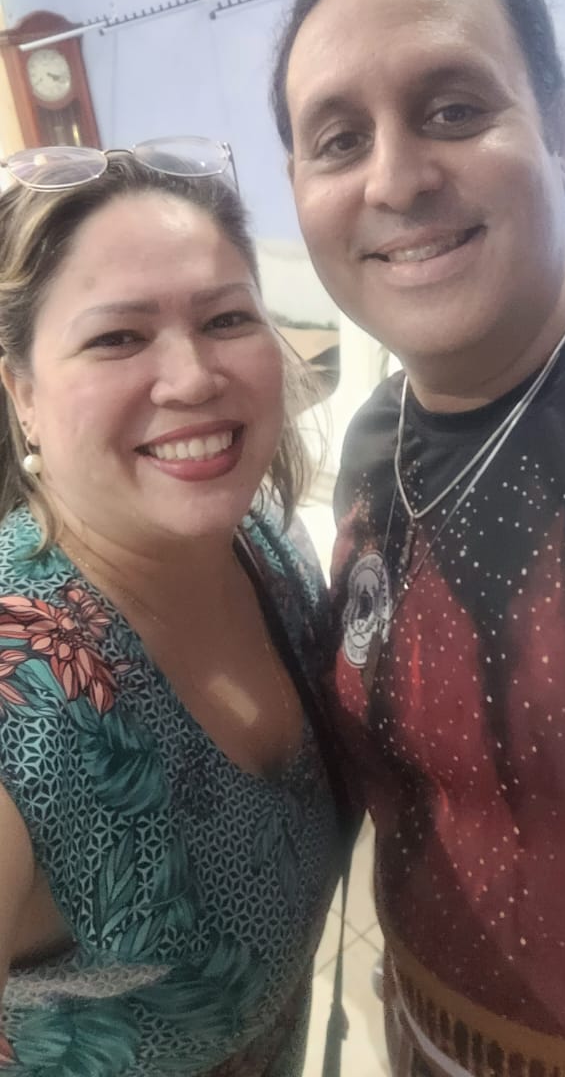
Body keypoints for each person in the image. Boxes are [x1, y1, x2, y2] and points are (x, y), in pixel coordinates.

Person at [271, 0, 565, 1076]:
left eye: (454, 109)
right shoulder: (379, 443)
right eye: (338, 138)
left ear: (558, 130)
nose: (396, 178)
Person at [0, 140, 343, 1077]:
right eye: (118, 336)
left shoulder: (267, 548)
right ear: (23, 392)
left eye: (226, 318)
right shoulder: (24, 693)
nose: (192, 377)